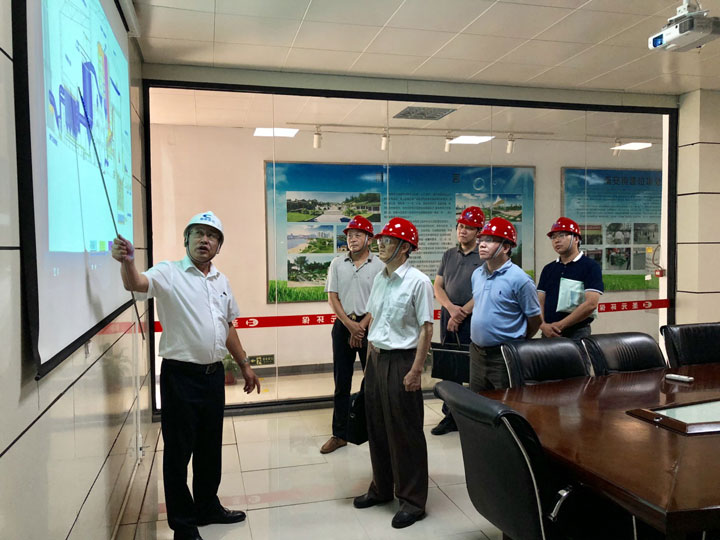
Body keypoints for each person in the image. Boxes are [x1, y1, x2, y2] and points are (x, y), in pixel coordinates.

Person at [111, 211, 260, 540]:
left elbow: (227, 326)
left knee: (210, 447)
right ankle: (183, 523)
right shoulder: (169, 272)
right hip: (180, 376)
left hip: (213, 375)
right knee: (178, 453)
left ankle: (207, 507)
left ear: (219, 245)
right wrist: (128, 263)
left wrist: (244, 364)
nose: (205, 240)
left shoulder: (221, 281)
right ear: (186, 239)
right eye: (198, 233)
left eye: (212, 235)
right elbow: (136, 284)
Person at [353, 217, 433, 530]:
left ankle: (412, 501)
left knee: (405, 432)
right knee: (377, 427)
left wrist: (416, 370)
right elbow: (374, 319)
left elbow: (426, 329)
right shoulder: (380, 279)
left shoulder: (418, 282)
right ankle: (382, 488)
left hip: (403, 362)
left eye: (388, 241)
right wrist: (369, 364)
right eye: (381, 240)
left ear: (405, 248)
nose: (381, 246)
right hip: (377, 360)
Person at [321, 216, 383, 454]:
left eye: (358, 235)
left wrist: (362, 326)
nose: (352, 239)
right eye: (349, 235)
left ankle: (373, 431)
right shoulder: (337, 264)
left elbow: (379, 301)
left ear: (369, 239)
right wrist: (350, 325)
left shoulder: (379, 266)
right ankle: (339, 434)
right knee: (341, 382)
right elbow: (332, 297)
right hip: (343, 327)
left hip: (370, 327)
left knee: (373, 381)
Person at [469, 217, 542, 392]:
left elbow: (535, 319)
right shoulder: (477, 274)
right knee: (477, 401)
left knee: (507, 401)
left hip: (504, 355)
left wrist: (519, 342)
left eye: (489, 240)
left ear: (506, 247)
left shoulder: (520, 279)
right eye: (481, 240)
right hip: (477, 353)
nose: (482, 244)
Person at [431, 206, 483, 436]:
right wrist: (451, 310)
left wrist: (461, 313)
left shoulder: (483, 256)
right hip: (448, 316)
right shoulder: (449, 255)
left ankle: (472, 416)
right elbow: (438, 286)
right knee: (450, 367)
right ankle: (450, 416)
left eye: (468, 227)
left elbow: (483, 291)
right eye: (461, 226)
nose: (462, 230)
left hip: (473, 318)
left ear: (478, 232)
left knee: (472, 368)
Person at [538, 217, 604, 342]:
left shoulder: (590, 266)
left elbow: (591, 304)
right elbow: (539, 301)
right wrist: (542, 325)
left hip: (577, 333)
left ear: (576, 239)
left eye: (561, 235)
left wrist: (560, 325)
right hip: (548, 332)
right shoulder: (548, 268)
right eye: (553, 237)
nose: (556, 240)